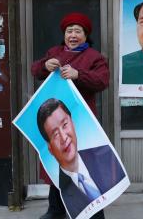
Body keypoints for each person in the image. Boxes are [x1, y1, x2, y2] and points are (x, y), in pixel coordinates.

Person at [32, 12, 110, 219]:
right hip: (55, 120)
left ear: (85, 35)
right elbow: (36, 70)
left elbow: (102, 81)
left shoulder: (95, 57)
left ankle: (94, 213)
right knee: (56, 164)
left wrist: (79, 75)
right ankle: (55, 210)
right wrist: (44, 66)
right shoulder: (54, 52)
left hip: (81, 122)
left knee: (85, 167)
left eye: (77, 31)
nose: (73, 35)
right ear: (64, 34)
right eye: (69, 31)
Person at [37, 99, 125, 219]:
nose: (64, 137)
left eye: (65, 125)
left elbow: (102, 81)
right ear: (50, 149)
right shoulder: (61, 181)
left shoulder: (105, 160)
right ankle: (57, 210)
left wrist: (79, 78)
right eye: (55, 134)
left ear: (73, 123)